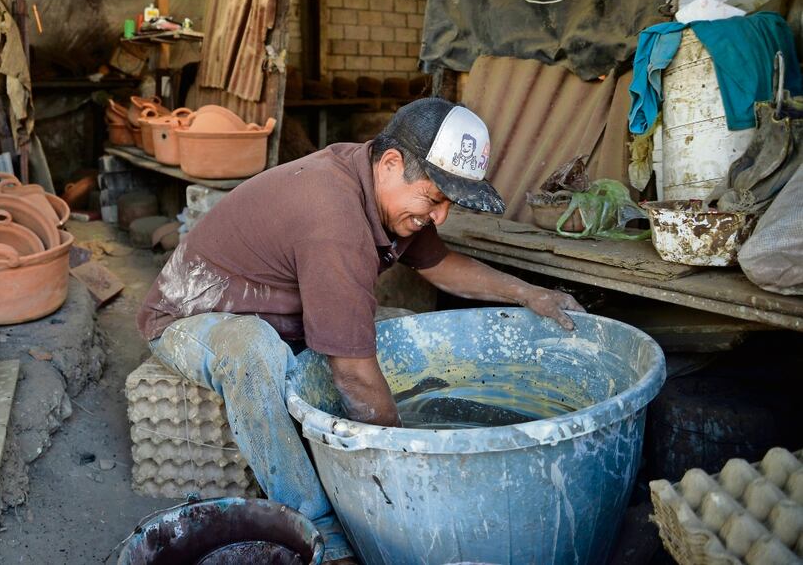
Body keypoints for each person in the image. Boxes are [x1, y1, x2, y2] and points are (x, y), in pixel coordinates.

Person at [136, 97, 583, 563]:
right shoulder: (333, 214)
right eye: (434, 199)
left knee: (402, 330)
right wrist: (406, 463)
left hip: (277, 311)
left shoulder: (380, 186)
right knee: (255, 352)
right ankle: (319, 530)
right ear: (391, 164)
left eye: (447, 203)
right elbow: (352, 374)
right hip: (192, 316)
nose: (440, 217)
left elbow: (441, 265)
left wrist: (529, 293)